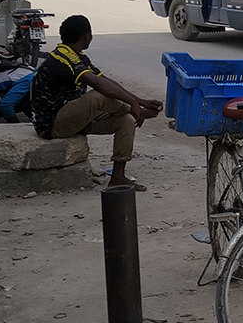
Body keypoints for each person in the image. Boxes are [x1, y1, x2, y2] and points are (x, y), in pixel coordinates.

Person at [30, 15, 163, 191]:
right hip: (52, 124)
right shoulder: (61, 58)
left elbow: (105, 80)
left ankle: (118, 177)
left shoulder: (78, 56)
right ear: (86, 35)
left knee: (126, 121)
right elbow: (98, 85)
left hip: (73, 116)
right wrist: (133, 104)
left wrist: (139, 100)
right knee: (98, 97)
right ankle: (131, 110)